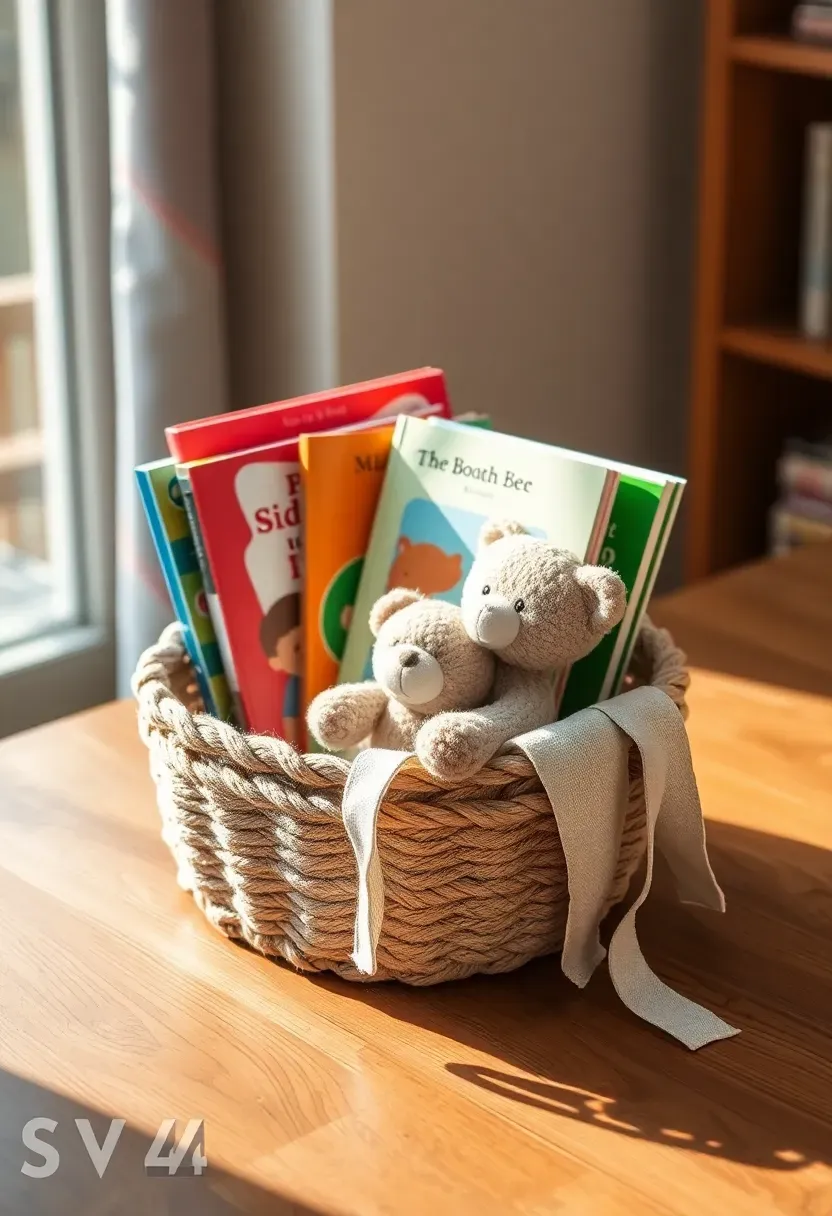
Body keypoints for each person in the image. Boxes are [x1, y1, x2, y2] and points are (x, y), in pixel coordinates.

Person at [259, 592, 302, 746]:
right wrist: (294, 749)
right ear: (276, 661)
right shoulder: (295, 686)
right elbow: (291, 720)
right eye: (297, 647)